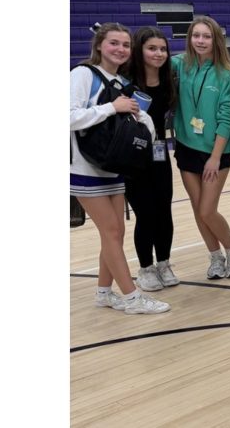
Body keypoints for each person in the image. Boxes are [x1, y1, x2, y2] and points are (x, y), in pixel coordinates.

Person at [70, 22, 169, 314]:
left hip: (112, 167)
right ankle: (131, 298)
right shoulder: (83, 74)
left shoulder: (121, 82)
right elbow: (69, 116)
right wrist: (112, 108)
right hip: (85, 168)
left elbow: (140, 123)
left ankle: (104, 293)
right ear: (99, 45)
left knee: (115, 232)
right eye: (114, 43)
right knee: (111, 231)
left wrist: (143, 119)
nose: (120, 49)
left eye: (125, 45)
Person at [173, 15, 230, 280]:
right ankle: (215, 256)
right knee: (196, 208)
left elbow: (228, 117)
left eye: (206, 36)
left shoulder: (226, 74)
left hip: (216, 151)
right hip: (186, 146)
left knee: (207, 209)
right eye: (195, 35)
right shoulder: (178, 65)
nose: (200, 41)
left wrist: (215, 157)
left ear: (216, 40)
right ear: (189, 38)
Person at [124, 27, 180, 292]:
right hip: (135, 157)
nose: (158, 54)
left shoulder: (169, 80)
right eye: (152, 48)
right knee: (145, 214)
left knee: (163, 210)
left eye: (162, 49)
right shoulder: (127, 83)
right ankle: (145, 268)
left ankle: (164, 263)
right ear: (140, 50)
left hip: (159, 153)